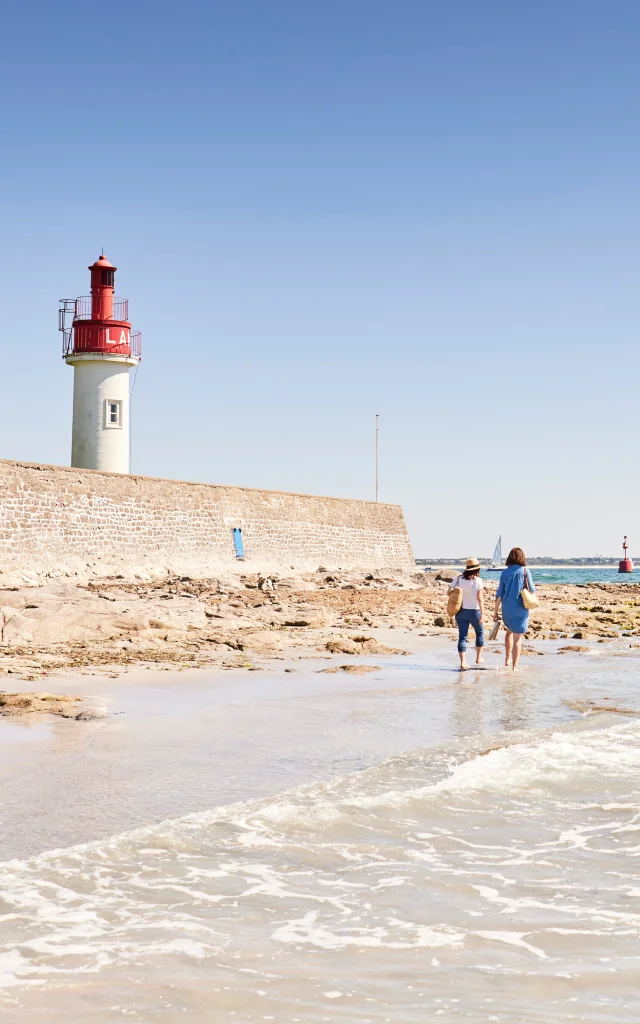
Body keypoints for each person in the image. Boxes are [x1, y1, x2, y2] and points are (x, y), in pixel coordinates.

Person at [494, 547, 536, 670]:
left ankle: (507, 659)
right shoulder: (525, 571)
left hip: (507, 608)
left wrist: (495, 611)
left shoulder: (504, 572)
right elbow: (532, 589)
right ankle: (514, 666)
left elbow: (499, 594)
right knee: (518, 638)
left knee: (509, 632)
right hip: (521, 608)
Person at [449, 557, 485, 670]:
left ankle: (463, 662)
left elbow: (448, 592)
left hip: (461, 611)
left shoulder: (458, 579)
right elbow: (480, 598)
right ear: (476, 570)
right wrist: (483, 613)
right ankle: (478, 658)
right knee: (479, 634)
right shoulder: (478, 581)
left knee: (462, 637)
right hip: (475, 611)